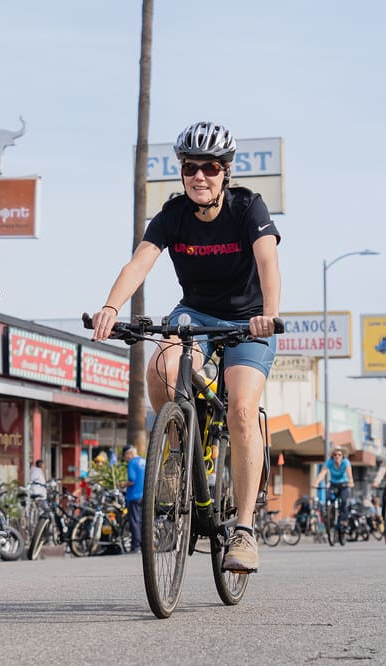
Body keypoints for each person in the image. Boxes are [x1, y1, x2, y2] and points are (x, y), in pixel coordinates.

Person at [90, 121, 281, 574]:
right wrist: (111, 305)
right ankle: (177, 450)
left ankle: (244, 530)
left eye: (210, 168)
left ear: (225, 172)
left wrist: (269, 313)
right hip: (194, 314)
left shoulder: (248, 207)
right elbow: (141, 261)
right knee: (162, 366)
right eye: (190, 167)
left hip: (246, 320)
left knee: (239, 410)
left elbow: (268, 259)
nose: (200, 176)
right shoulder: (172, 215)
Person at [313, 447, 355, 521]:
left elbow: (349, 474)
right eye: (335, 455)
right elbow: (322, 473)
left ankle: (343, 520)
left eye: (339, 455)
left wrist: (351, 482)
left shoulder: (346, 462)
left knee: (344, 501)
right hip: (333, 484)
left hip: (344, 485)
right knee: (328, 498)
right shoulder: (329, 462)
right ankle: (329, 516)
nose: (337, 456)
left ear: (342, 456)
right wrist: (316, 482)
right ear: (333, 456)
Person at [121, 445, 145, 553]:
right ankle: (144, 544)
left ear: (129, 454)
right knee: (142, 521)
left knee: (134, 521)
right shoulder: (144, 461)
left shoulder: (132, 463)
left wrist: (122, 485)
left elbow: (131, 480)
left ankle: (136, 546)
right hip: (144, 496)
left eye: (125, 456)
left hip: (134, 496)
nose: (126, 459)